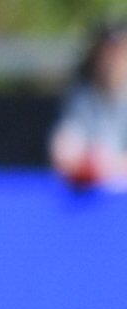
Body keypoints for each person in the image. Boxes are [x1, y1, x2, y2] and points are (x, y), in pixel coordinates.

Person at [50, 21, 127, 193]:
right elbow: (64, 151)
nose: (113, 62)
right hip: (92, 200)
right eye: (107, 53)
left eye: (120, 53)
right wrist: (86, 165)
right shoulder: (81, 98)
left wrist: (108, 166)